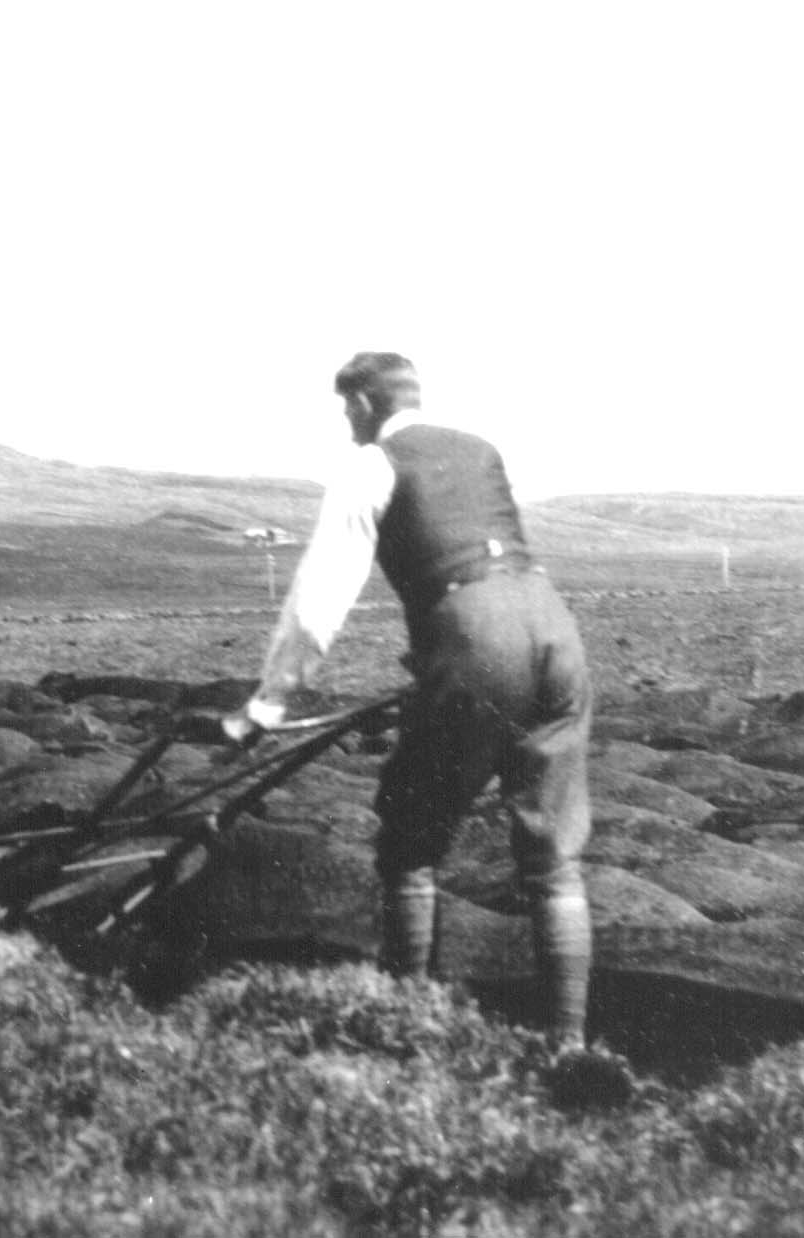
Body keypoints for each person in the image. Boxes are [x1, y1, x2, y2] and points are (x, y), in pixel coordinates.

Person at [223, 352, 595, 1049]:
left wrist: (267, 705)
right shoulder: (480, 449)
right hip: (553, 630)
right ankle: (569, 1049)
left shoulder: (372, 464)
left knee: (408, 842)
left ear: (366, 403)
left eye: (347, 409)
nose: (346, 422)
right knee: (552, 856)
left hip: (475, 639)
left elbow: (318, 599)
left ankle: (403, 1026)